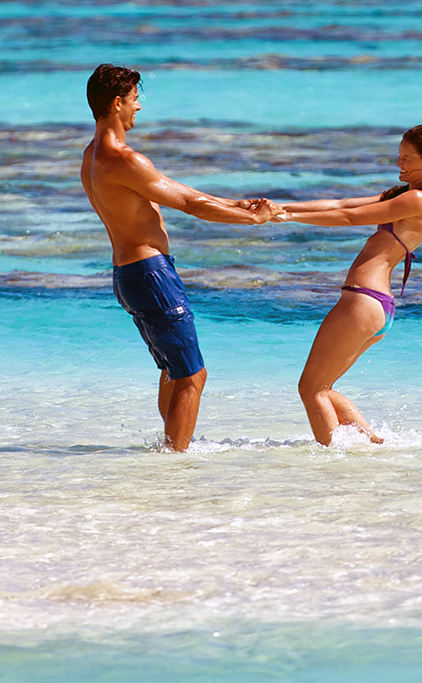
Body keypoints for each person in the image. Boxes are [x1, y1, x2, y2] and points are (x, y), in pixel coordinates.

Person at [81, 63, 277, 451]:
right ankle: (175, 461)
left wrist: (234, 202)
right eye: (135, 100)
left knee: (174, 370)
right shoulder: (125, 158)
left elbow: (175, 189)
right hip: (150, 274)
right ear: (118, 102)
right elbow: (189, 203)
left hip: (130, 274)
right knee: (193, 376)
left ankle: (171, 448)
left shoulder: (92, 155)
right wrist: (251, 219)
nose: (139, 108)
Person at [278, 125, 422, 445]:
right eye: (398, 156)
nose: (399, 164)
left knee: (311, 389)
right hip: (375, 306)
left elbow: (348, 217)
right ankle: (373, 448)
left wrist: (286, 217)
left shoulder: (418, 198)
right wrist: (280, 209)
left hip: (363, 301)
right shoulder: (409, 194)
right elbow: (342, 204)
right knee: (323, 387)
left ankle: (331, 466)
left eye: (406, 158)